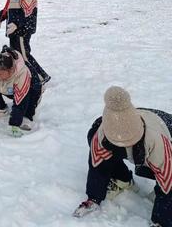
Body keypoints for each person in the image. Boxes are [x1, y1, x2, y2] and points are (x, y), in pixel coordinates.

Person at [74, 87, 172, 227]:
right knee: (94, 136)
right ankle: (122, 179)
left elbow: (169, 178)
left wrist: (161, 221)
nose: (125, 145)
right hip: (131, 126)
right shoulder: (102, 133)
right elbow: (98, 165)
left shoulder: (157, 141)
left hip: (164, 127)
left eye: (129, 142)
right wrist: (93, 198)